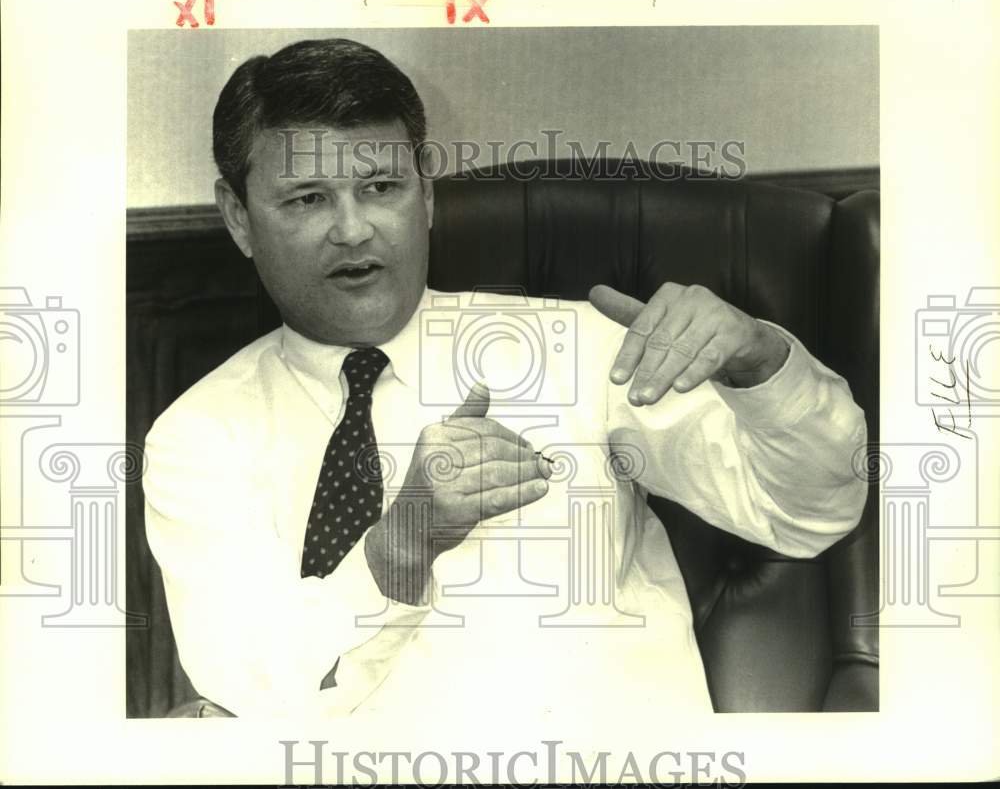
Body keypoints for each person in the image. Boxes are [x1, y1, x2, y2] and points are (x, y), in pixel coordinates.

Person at [143, 38, 868, 730]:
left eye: (381, 187)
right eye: (306, 199)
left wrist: (759, 364)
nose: (354, 229)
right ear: (238, 216)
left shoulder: (578, 345)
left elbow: (809, 512)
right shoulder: (197, 437)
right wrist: (397, 549)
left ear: (424, 198)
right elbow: (243, 692)